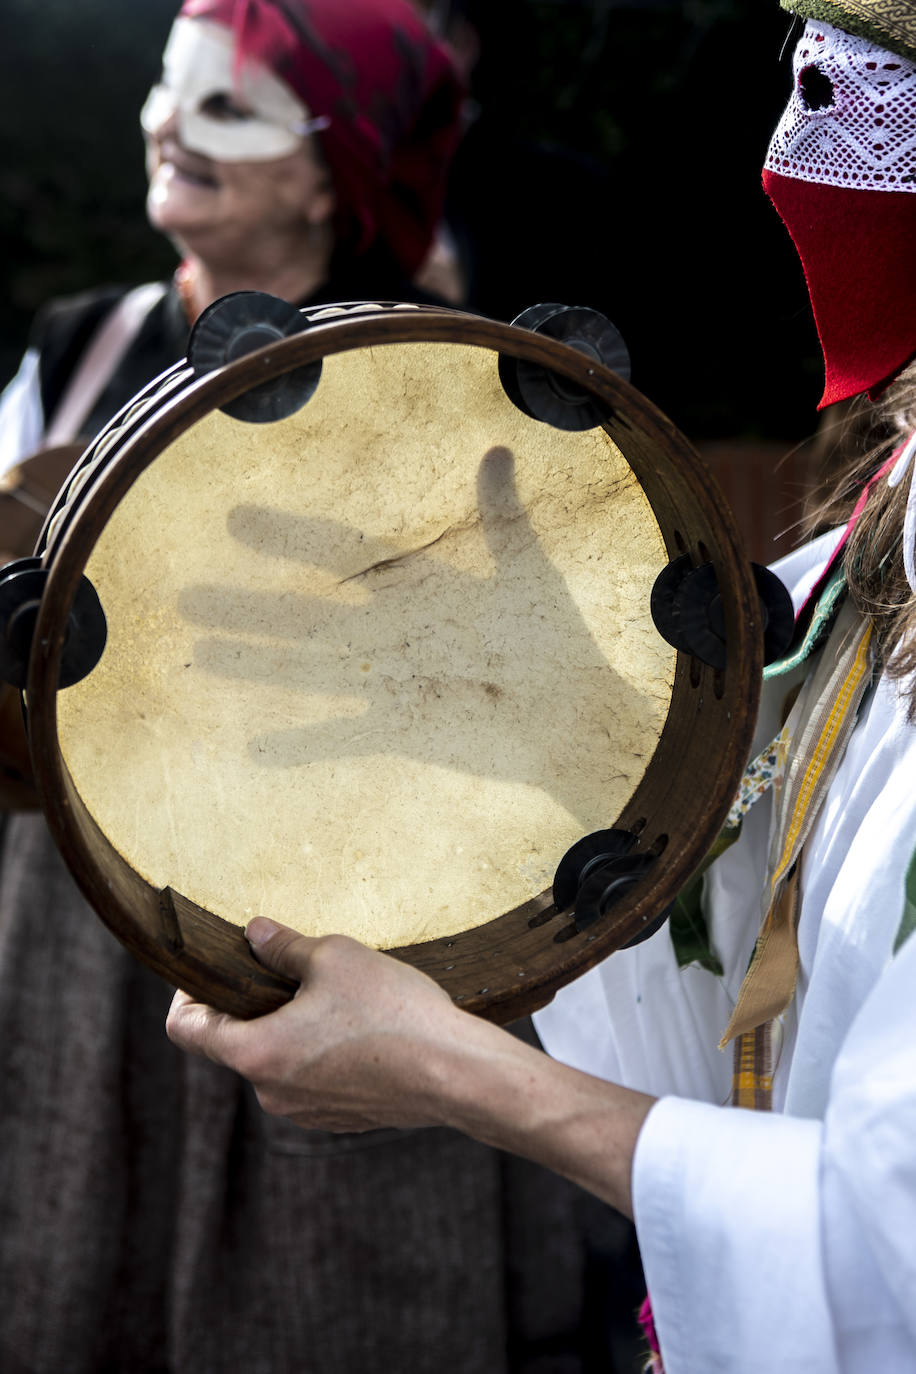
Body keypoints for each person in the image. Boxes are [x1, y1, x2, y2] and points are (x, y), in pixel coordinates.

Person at [167, 2, 916, 1370]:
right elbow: (776, 980)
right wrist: (572, 726)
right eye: (812, 62)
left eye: (869, 78)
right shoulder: (891, 505)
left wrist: (446, 1067)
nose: (808, 129)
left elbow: (889, 1252)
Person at [0, 4, 610, 1372]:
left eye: (228, 108)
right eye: (167, 90)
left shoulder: (440, 368)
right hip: (84, 899)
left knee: (337, 1285)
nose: (169, 123)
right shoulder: (79, 340)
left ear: (337, 170)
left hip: (337, 913)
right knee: (75, 1225)